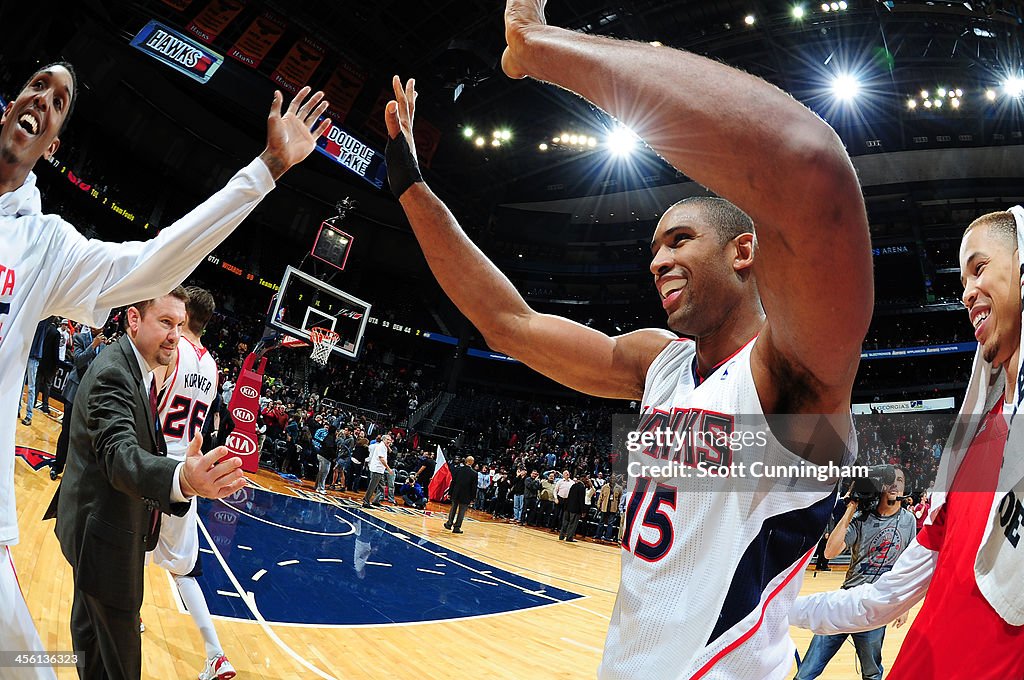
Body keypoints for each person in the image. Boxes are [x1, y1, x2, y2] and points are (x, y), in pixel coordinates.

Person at [381, 0, 872, 673]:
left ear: (745, 251)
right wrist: (409, 186)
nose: (657, 260)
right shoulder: (656, 365)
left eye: (679, 239)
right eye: (652, 248)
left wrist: (541, 48)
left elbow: (808, 163)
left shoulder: (794, 380)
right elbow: (509, 323)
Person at [0, 60, 330, 672]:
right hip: (147, 498)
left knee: (30, 665)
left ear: (53, 146)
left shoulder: (43, 246)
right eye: (37, 84)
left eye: (60, 100)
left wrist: (266, 172)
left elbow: (154, 262)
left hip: (155, 497)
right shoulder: (147, 368)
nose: (44, 98)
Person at [791, 210, 1024, 678]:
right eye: (962, 280)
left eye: (979, 268)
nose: (965, 293)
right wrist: (779, 610)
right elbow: (883, 599)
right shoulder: (970, 450)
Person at [46, 290, 248, 679]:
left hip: (148, 483)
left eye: (177, 323)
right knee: (169, 584)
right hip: (140, 491)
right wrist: (182, 477)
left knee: (91, 634)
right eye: (165, 323)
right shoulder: (203, 368)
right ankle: (211, 650)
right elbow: (120, 450)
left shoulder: (145, 361)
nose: (173, 335)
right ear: (134, 320)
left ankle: (129, 617)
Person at [148, 287, 235, 680]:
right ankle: (215, 655)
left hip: (156, 463)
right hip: (189, 469)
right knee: (181, 566)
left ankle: (215, 653)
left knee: (133, 544)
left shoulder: (171, 350)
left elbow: (147, 404)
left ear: (184, 315)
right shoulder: (213, 367)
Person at [794, 467, 916, 680]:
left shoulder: (909, 521)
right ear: (882, 486)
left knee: (871, 672)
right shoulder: (861, 518)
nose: (896, 484)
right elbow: (830, 552)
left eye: (901, 480)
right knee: (808, 669)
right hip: (847, 599)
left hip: (876, 606)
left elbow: (908, 563)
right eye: (891, 480)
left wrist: (903, 605)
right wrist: (852, 506)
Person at [51, 324, 106, 479]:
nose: (100, 329)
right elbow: (78, 361)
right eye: (98, 325)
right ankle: (57, 465)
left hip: (90, 397)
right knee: (66, 432)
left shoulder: (104, 347)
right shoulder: (79, 338)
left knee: (82, 437)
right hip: (74, 393)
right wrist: (93, 345)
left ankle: (72, 472)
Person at [445, 456, 477, 534]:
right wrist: (473, 498)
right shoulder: (474, 473)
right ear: (472, 463)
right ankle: (457, 527)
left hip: (456, 493)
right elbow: (474, 487)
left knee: (453, 509)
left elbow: (453, 482)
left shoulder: (458, 469)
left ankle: (449, 524)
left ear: (465, 461)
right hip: (466, 495)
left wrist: (450, 493)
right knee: (461, 512)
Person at [361, 433, 393, 508]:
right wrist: (388, 468)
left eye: (390, 440)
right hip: (377, 469)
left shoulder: (385, 446)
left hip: (380, 470)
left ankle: (376, 500)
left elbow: (391, 452)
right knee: (372, 486)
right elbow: (381, 458)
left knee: (382, 487)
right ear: (383, 439)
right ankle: (366, 501)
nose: (389, 441)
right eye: (387, 439)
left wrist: (388, 446)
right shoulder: (381, 446)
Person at [559, 473, 585, 542]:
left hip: (568, 507)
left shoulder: (573, 485)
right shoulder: (582, 487)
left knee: (565, 523)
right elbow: (581, 500)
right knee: (572, 524)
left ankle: (561, 536)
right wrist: (583, 511)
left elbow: (569, 496)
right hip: (575, 509)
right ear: (583, 478)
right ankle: (569, 537)